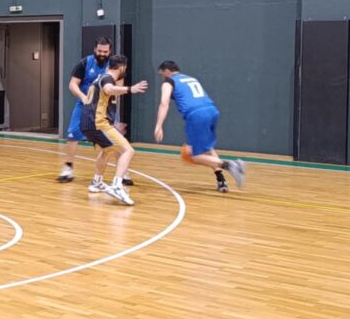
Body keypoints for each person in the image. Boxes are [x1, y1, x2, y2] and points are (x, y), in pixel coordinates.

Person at [153, 60, 246, 192]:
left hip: (197, 115)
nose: (162, 78)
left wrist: (159, 125)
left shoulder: (169, 81)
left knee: (192, 156)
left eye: (162, 74)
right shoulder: (190, 78)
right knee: (208, 148)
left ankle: (231, 165)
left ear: (167, 71)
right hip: (212, 111)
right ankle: (221, 181)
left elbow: (164, 103)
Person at [58, 36, 132, 186]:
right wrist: (83, 97)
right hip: (84, 104)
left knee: (116, 139)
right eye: (99, 51)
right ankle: (68, 168)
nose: (102, 54)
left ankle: (122, 172)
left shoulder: (115, 65)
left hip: (105, 107)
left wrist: (114, 109)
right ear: (95, 49)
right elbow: (72, 84)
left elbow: (117, 89)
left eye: (105, 51)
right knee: (72, 135)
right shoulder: (85, 63)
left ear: (110, 51)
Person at [80, 54, 147, 205]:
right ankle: (117, 186)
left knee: (108, 150)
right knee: (127, 151)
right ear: (122, 67)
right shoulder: (107, 79)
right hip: (98, 123)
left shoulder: (99, 78)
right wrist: (130, 89)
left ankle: (97, 182)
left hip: (88, 123)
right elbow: (109, 89)